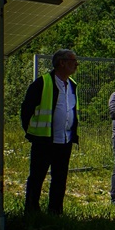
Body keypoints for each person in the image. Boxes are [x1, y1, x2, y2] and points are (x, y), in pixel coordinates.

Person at [21, 49, 79, 218]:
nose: (76, 64)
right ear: (62, 63)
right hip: (44, 140)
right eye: (73, 61)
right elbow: (26, 110)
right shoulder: (42, 83)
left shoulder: (72, 85)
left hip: (65, 140)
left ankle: (55, 212)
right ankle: (31, 212)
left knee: (60, 178)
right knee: (37, 177)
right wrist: (31, 132)